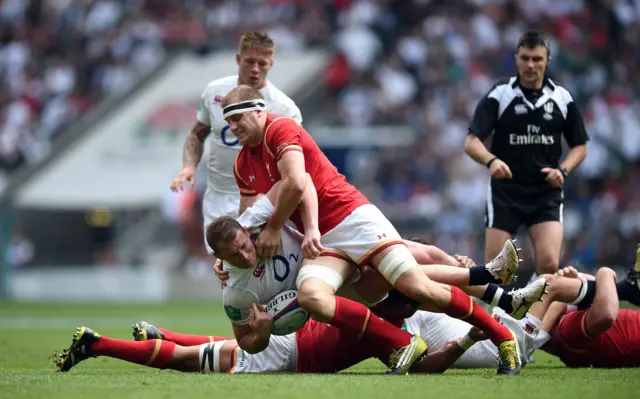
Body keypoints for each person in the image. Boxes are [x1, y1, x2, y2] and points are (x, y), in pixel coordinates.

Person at [223, 85, 522, 375]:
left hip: (352, 218)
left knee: (417, 286)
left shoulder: (280, 129)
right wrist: (224, 258)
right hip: (324, 242)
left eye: (238, 118)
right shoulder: (242, 164)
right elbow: (246, 221)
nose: (233, 126)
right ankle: (403, 344)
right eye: (228, 121)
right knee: (312, 297)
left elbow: (299, 183)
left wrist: (277, 226)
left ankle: (503, 336)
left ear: (260, 112)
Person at [463, 30, 589, 277]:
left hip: (545, 191)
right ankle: (491, 314)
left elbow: (581, 146)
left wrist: (563, 170)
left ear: (547, 60)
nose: (531, 65)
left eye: (537, 59)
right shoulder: (500, 94)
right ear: (516, 59)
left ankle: (530, 314)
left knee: (549, 265)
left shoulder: (561, 98)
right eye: (525, 58)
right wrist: (492, 161)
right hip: (506, 190)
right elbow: (471, 141)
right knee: (497, 271)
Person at [169, 32, 302, 255]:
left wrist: (277, 218)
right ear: (238, 59)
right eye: (250, 61)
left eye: (262, 63)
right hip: (218, 196)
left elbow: (294, 168)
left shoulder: (284, 109)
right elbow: (197, 133)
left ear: (271, 63)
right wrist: (189, 165)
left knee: (257, 263)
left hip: (261, 198)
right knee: (226, 267)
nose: (255, 69)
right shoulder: (215, 92)